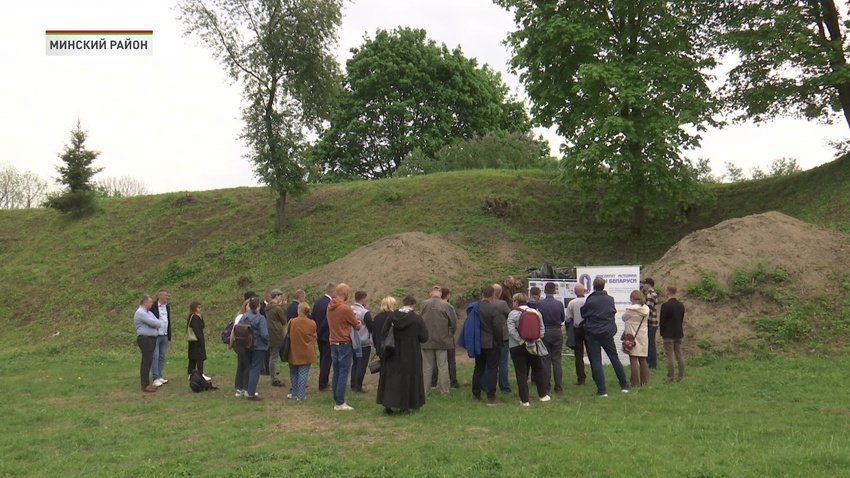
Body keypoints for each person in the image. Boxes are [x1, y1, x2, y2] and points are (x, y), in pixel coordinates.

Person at [376, 295, 429, 414]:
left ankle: (388, 405)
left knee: (391, 378)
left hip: (393, 352)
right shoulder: (417, 319)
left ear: (403, 303)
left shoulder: (392, 316)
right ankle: (405, 407)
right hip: (411, 354)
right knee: (408, 379)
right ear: (414, 305)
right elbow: (424, 337)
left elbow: (383, 332)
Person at [580, 276, 630, 397]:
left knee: (596, 361)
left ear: (593, 286)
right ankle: (624, 385)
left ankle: (602, 390)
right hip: (607, 333)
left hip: (593, 334)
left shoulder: (590, 300)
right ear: (604, 286)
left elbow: (583, 313)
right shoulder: (610, 299)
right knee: (614, 358)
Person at [507, 293, 548, 406]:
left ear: (516, 302)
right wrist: (536, 339)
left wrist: (521, 340)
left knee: (521, 373)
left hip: (517, 346)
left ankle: (524, 400)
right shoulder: (536, 312)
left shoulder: (513, 314)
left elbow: (511, 330)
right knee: (538, 369)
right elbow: (542, 329)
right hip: (534, 345)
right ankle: (543, 395)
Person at [327, 283, 362, 411]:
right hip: (344, 342)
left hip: (333, 341)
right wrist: (359, 322)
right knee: (343, 372)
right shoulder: (345, 308)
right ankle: (340, 402)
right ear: (345, 293)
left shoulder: (329, 306)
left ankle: (337, 399)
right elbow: (356, 325)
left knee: (336, 371)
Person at [473, 286, 508, 405]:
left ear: (482, 294)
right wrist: (500, 342)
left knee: (478, 368)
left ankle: (476, 394)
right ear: (493, 295)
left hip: (478, 342)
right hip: (491, 342)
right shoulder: (494, 308)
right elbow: (497, 327)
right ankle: (491, 396)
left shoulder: (475, 307)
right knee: (493, 369)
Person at [420, 285, 457, 397]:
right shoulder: (446, 305)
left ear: (431, 293)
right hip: (442, 340)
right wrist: (449, 335)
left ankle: (425, 392)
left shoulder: (424, 304)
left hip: (426, 341)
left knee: (427, 367)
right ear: (440, 294)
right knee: (443, 366)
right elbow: (454, 323)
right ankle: (444, 392)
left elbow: (420, 320)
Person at [537, 282, 566, 394]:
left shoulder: (540, 304)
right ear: (554, 291)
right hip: (556, 331)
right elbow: (562, 318)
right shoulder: (559, 304)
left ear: (544, 291)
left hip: (544, 332)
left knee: (545, 360)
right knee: (557, 360)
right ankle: (558, 387)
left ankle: (546, 386)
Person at [134, 294, 164, 392]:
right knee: (146, 362)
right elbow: (153, 323)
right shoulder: (141, 313)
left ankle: (147, 383)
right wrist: (156, 324)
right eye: (150, 302)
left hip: (151, 339)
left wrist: (157, 324)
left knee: (149, 361)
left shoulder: (148, 312)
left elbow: (158, 321)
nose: (152, 303)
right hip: (145, 339)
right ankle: (145, 385)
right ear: (145, 302)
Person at [287, 301, 317, 400]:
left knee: (293, 372)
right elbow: (313, 334)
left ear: (298, 310)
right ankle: (301, 395)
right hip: (306, 351)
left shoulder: (292, 322)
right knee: (303, 373)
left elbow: (287, 334)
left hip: (293, 350)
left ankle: (294, 392)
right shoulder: (312, 323)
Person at [486, 283, 512, 394]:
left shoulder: (484, 304)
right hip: (503, 336)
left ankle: (487, 385)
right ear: (500, 293)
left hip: (488, 337)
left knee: (488, 363)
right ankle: (504, 387)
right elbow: (510, 315)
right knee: (503, 362)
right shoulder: (502, 304)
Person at [242, 296, 269, 401]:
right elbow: (264, 334)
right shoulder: (260, 318)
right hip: (259, 346)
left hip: (246, 344)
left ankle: (246, 389)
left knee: (249, 367)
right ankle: (251, 393)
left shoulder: (244, 316)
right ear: (259, 306)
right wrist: (268, 341)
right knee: (255, 369)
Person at [310, 282, 336, 392]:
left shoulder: (318, 302)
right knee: (327, 360)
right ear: (331, 291)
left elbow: (313, 317)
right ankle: (323, 383)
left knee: (323, 359)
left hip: (319, 335)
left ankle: (323, 381)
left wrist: (315, 331)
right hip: (326, 334)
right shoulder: (330, 303)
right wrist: (320, 331)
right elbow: (327, 320)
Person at [622, 290, 650, 387]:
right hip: (643, 336)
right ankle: (645, 381)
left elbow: (623, 318)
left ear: (632, 298)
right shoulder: (646, 309)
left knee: (633, 359)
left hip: (632, 336)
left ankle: (635, 382)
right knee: (643, 359)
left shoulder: (630, 310)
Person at [660, 285, 686, 382]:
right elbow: (681, 319)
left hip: (668, 333)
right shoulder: (681, 305)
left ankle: (670, 377)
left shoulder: (666, 305)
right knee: (679, 354)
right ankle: (681, 375)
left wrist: (662, 332)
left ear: (668, 292)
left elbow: (662, 321)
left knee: (670, 355)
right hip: (678, 332)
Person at [350, 291, 374, 393]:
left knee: (355, 363)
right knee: (362, 364)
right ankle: (358, 386)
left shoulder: (350, 309)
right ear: (363, 299)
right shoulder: (364, 312)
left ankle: (353, 384)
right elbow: (371, 326)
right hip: (363, 341)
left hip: (352, 340)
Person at [565, 283, 588, 385]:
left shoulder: (572, 303)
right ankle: (596, 376)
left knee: (578, 355)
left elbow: (568, 318)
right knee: (592, 353)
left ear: (575, 292)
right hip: (588, 329)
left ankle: (581, 378)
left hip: (577, 329)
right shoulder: (588, 301)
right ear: (585, 291)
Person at [230, 295, 253, 397]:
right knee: (246, 365)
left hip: (242, 344)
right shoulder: (241, 317)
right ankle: (244, 388)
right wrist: (231, 342)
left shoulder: (245, 316)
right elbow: (234, 331)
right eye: (248, 306)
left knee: (242, 365)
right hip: (240, 344)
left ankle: (240, 388)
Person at [265, 288, 287, 388]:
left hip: (270, 332)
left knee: (272, 356)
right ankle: (274, 379)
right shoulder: (277, 308)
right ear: (276, 296)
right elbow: (284, 320)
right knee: (274, 356)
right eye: (280, 296)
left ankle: (273, 376)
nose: (281, 298)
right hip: (277, 332)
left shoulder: (268, 307)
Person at [150, 288, 171, 387]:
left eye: (168, 295)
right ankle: (155, 377)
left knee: (162, 356)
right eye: (166, 295)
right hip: (155, 335)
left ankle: (160, 375)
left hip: (165, 334)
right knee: (155, 356)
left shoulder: (167, 307)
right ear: (160, 296)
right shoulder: (153, 306)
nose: (168, 297)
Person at [186, 301, 209, 381]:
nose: (200, 309)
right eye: (198, 307)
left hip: (193, 341)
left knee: (192, 358)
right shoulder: (195, 317)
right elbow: (197, 328)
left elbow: (202, 325)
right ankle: (200, 373)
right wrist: (200, 339)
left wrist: (201, 317)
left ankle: (190, 373)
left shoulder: (192, 316)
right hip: (197, 340)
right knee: (199, 357)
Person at [641, 278, 660, 369]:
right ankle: (651, 363)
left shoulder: (650, 295)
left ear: (648, 285)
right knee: (650, 343)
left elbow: (647, 310)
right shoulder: (652, 294)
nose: (643, 286)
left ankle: (652, 364)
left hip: (650, 322)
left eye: (644, 284)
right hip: (653, 322)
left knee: (650, 343)